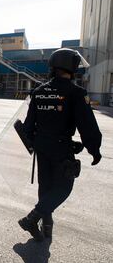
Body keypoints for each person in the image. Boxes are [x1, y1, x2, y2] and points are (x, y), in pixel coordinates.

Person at [19, 48, 102, 241]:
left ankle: (46, 230)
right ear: (71, 67)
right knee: (64, 188)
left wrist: (37, 143)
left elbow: (29, 126)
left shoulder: (38, 91)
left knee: (46, 188)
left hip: (42, 148)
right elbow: (87, 125)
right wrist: (94, 149)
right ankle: (32, 219)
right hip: (60, 148)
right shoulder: (76, 92)